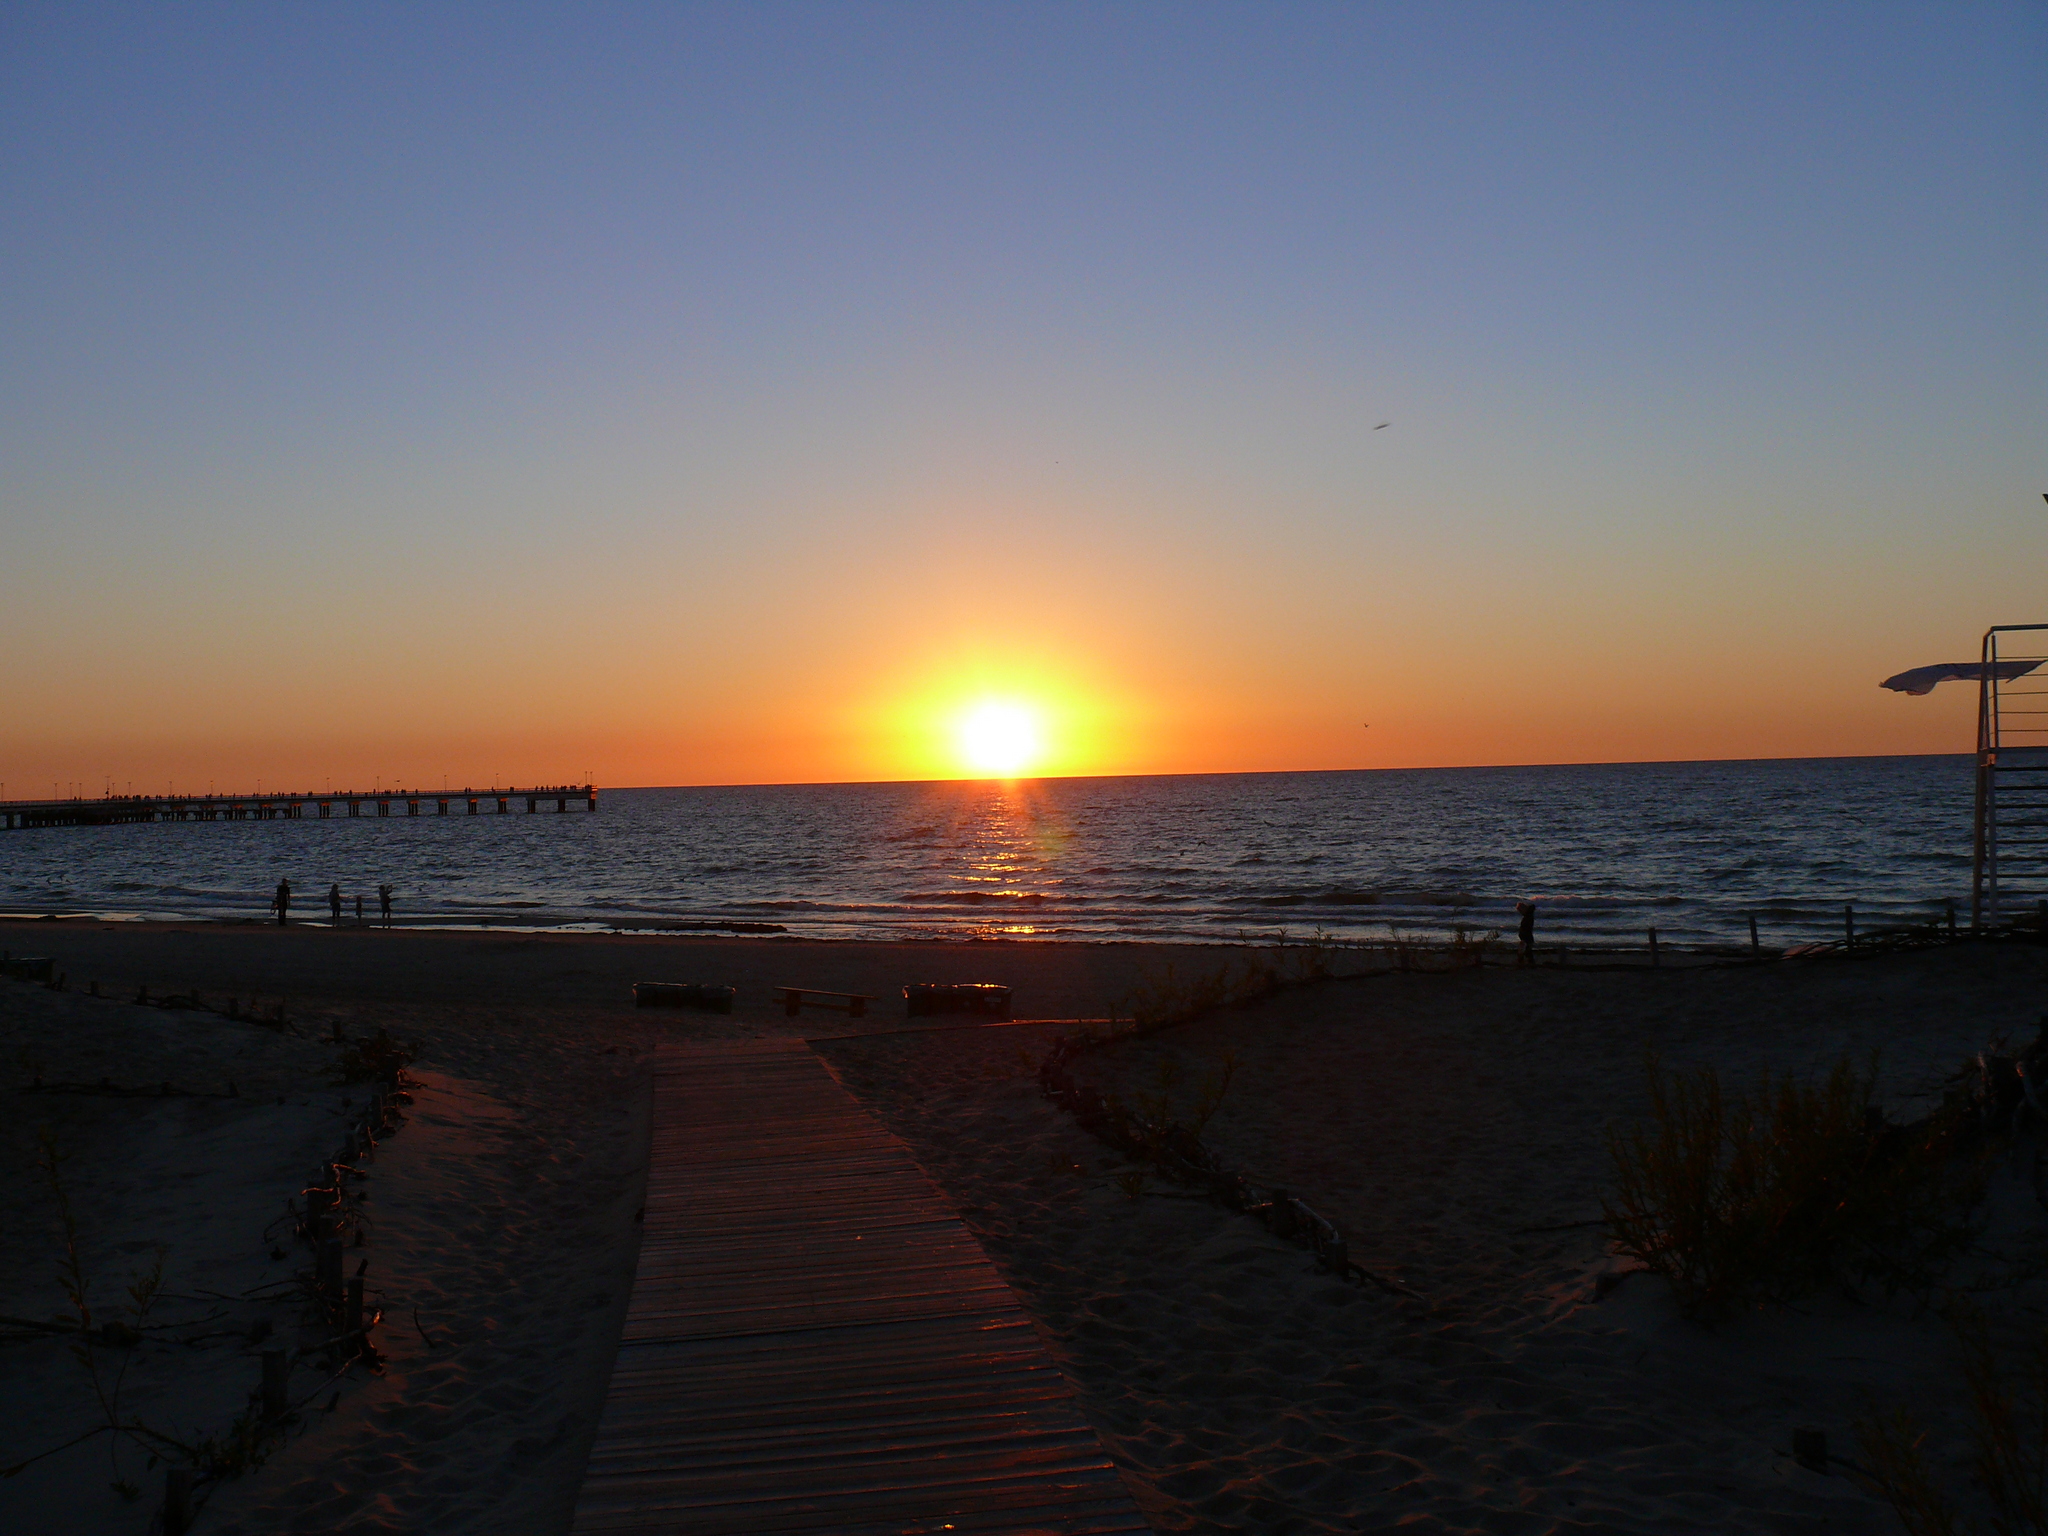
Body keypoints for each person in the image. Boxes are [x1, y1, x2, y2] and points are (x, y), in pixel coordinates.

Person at [1516, 900, 1537, 967]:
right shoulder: (1528, 916)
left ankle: (1524, 964)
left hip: (1526, 937)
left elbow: (1526, 928)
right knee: (1526, 951)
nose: (1520, 912)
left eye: (1520, 911)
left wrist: (1523, 935)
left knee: (1525, 951)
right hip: (1526, 936)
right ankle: (1527, 963)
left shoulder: (1528, 917)